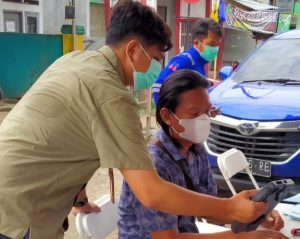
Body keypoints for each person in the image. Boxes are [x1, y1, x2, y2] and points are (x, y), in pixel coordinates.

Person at [0, 1, 266, 239]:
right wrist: (231, 208)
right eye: (155, 59)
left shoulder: (74, 61)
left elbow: (64, 140)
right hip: (16, 212)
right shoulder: (111, 96)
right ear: (133, 50)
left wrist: (79, 200)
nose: (155, 69)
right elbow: (151, 192)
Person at [118, 70, 286, 239]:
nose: (204, 119)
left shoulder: (196, 149)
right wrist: (241, 237)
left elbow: (210, 207)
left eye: (207, 111)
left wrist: (252, 215)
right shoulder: (154, 165)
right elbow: (167, 238)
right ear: (167, 116)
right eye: (194, 114)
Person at [152, 18, 223, 106]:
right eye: (211, 44)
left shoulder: (200, 63)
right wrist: (165, 115)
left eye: (217, 45)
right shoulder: (185, 60)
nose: (215, 49)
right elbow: (158, 85)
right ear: (197, 43)